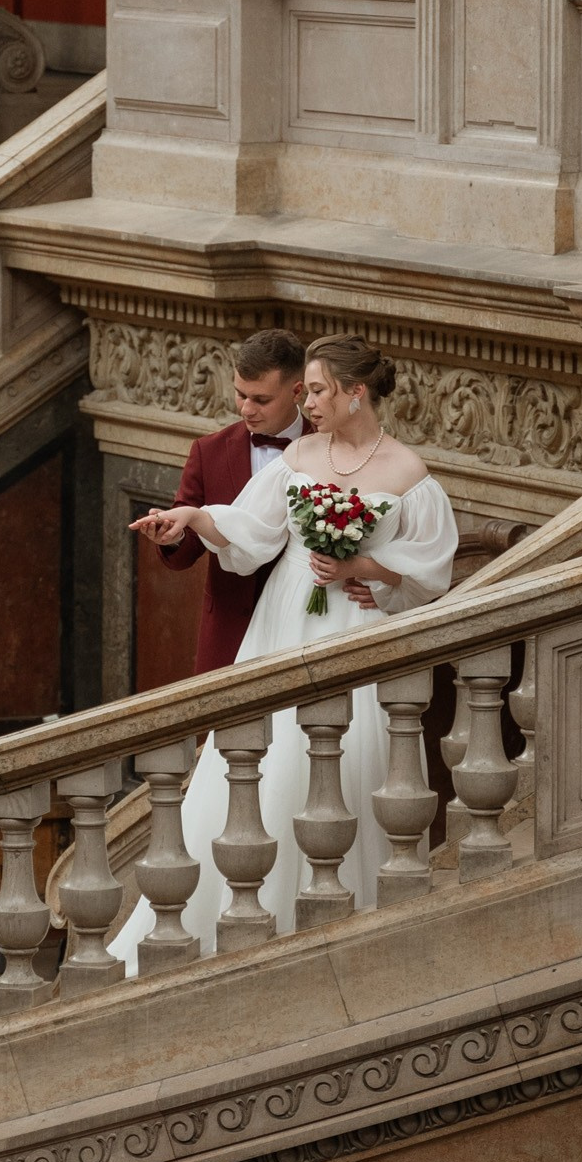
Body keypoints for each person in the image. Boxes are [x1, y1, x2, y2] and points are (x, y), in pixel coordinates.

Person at [121, 335, 457, 960]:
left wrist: (367, 565)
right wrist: (192, 519)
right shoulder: (300, 454)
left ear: (356, 393)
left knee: (349, 758)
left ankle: (342, 924)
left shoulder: (410, 473)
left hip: (353, 627)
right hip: (282, 622)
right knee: (260, 762)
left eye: (321, 389)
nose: (311, 400)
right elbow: (251, 530)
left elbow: (430, 569)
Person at [149, 329, 307, 673]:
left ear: (297, 391)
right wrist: (172, 536)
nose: (246, 409)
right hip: (229, 630)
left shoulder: (328, 446)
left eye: (261, 399)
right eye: (240, 394)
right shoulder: (208, 451)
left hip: (304, 625)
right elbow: (186, 548)